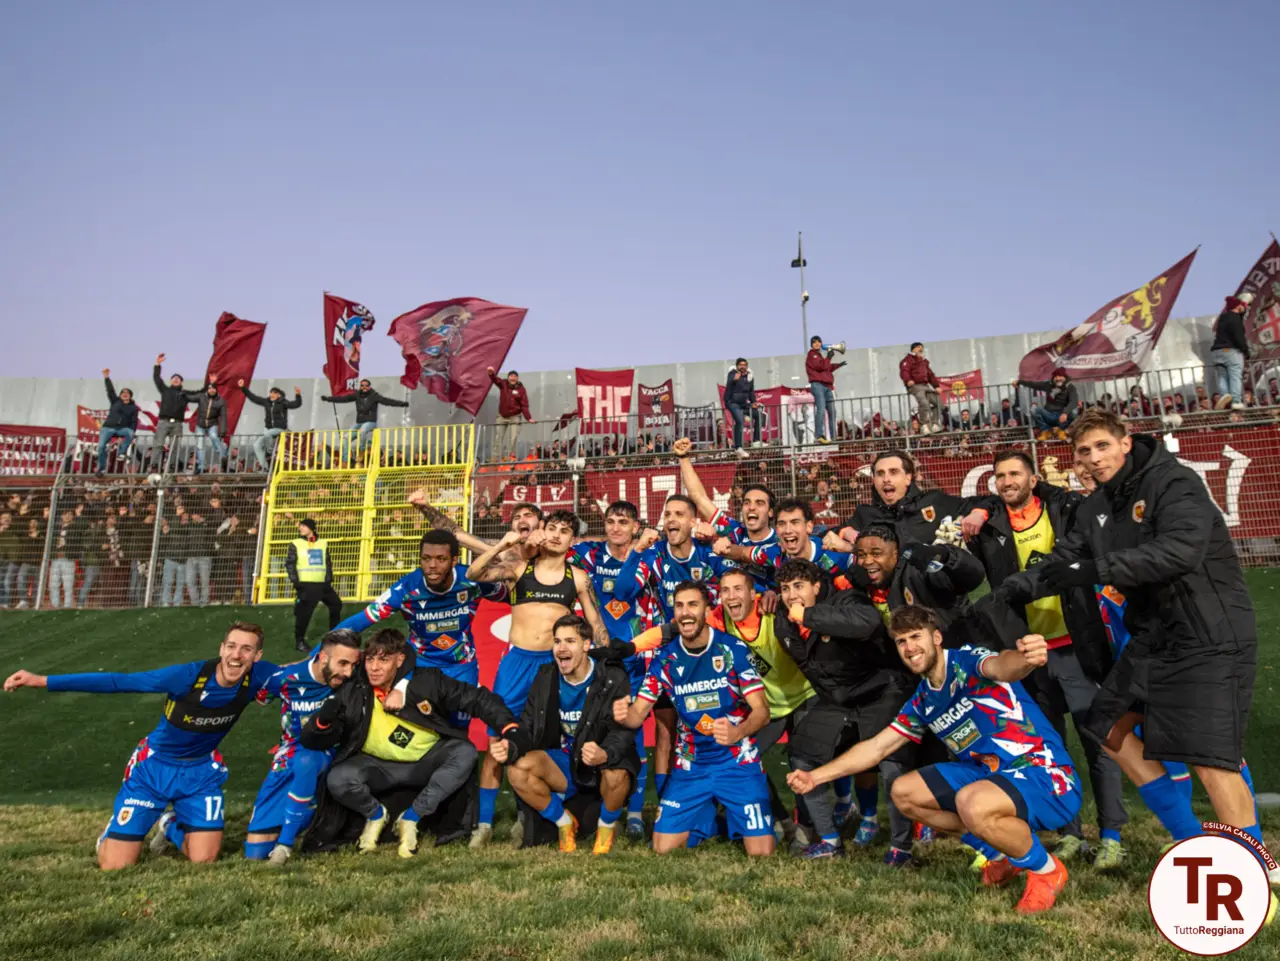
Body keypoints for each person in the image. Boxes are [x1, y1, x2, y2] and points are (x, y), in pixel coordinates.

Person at [992, 408, 1265, 860]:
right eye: (1084, 450)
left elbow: (1180, 551)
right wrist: (1011, 589)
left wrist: (1095, 570)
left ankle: (1253, 866)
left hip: (1207, 632)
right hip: (1154, 636)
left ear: (1125, 442)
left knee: (1209, 757)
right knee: (1108, 725)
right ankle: (1190, 840)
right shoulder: (1096, 506)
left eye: (1103, 446)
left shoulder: (1173, 482)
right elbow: (1064, 560)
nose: (1094, 457)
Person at [790, 606, 1080, 913]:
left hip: (1044, 774)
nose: (909, 647)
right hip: (990, 775)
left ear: (937, 638)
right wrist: (815, 777)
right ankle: (1001, 855)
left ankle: (1046, 870)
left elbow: (1002, 666)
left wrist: (1026, 659)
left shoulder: (967, 661)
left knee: (971, 801)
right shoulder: (924, 699)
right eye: (901, 641)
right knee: (904, 793)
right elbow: (876, 748)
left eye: (916, 636)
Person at [3, 622, 277, 870]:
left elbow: (299, 671)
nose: (236, 655)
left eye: (246, 649)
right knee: (115, 866)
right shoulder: (187, 676)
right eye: (231, 646)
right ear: (221, 648)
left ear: (257, 656)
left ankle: (168, 824)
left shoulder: (259, 676)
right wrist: (41, 680)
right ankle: (116, 830)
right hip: (153, 769)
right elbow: (119, 681)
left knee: (204, 859)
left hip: (201, 772)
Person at [968, 450, 1127, 869]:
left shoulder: (1063, 509)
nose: (1007, 481)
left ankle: (1112, 835)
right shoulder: (990, 525)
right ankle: (1070, 833)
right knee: (1049, 750)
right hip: (1028, 654)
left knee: (1098, 742)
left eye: (1015, 474)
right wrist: (982, 509)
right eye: (1000, 476)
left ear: (1034, 478)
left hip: (1077, 646)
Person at [301, 628, 526, 858]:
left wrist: (508, 727)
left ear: (400, 660)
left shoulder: (426, 681)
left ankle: (411, 818)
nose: (374, 667)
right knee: (338, 778)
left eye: (383, 660)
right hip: (375, 765)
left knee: (465, 753)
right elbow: (311, 739)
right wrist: (321, 722)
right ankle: (376, 815)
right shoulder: (355, 688)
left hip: (425, 762)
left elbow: (478, 699)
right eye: (370, 660)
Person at [465, 510, 608, 847]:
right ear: (542, 532)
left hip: (553, 666)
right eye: (552, 528)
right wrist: (504, 544)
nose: (557, 535)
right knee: (497, 741)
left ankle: (527, 818)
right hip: (516, 664)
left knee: (542, 742)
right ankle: (484, 825)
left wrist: (607, 663)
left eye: (565, 531)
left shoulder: (578, 578)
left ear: (573, 540)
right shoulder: (519, 568)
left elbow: (596, 625)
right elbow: (474, 573)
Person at [613, 581, 775, 856]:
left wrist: (737, 732)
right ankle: (710, 822)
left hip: (737, 762)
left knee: (761, 854)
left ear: (707, 610)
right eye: (679, 606)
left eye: (693, 605)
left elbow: (762, 711)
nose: (685, 613)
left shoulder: (733, 649)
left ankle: (728, 818)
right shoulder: (665, 659)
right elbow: (636, 716)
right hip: (691, 765)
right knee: (662, 848)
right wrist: (622, 714)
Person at [771, 559, 916, 861]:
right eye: (785, 589)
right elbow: (810, 666)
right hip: (839, 700)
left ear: (816, 587)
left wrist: (809, 616)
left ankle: (901, 847)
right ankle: (829, 841)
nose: (791, 595)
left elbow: (868, 622)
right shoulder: (783, 622)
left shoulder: (846, 599)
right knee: (801, 753)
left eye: (798, 586)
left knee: (892, 762)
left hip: (881, 692)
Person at [490, 614, 641, 854]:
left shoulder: (612, 676)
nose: (561, 648)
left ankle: (605, 831)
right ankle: (564, 822)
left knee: (617, 773)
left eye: (570, 641)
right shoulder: (546, 676)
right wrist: (512, 745)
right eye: (557, 641)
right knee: (517, 769)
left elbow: (623, 730)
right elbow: (528, 726)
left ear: (586, 645)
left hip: (599, 764)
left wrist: (605, 753)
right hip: (566, 762)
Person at [333, 530, 510, 717]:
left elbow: (511, 597)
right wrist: (323, 651)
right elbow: (362, 620)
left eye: (441, 559)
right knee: (425, 723)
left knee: (460, 725)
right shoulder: (406, 588)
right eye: (426, 559)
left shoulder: (473, 580)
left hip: (462, 666)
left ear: (454, 560)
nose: (432, 565)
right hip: (421, 665)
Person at [568, 500, 664, 835]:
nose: (615, 528)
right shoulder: (591, 554)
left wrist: (638, 549)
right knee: (591, 732)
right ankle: (596, 806)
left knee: (632, 734)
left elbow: (625, 589)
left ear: (636, 526)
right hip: (598, 660)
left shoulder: (650, 556)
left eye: (623, 522)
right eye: (610, 521)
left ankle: (635, 814)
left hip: (636, 661)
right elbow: (552, 552)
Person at [243, 629, 363, 865]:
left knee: (307, 760)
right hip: (288, 755)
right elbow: (259, 694)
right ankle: (308, 812)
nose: (348, 672)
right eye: (343, 663)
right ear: (323, 657)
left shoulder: (351, 679)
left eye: (353, 665)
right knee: (255, 854)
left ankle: (285, 844)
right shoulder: (286, 678)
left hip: (326, 755)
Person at [674, 437, 779, 590]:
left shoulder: (781, 542)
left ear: (770, 512)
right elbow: (699, 498)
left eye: (759, 503)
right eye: (747, 502)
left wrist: (725, 549)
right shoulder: (734, 530)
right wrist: (683, 457)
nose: (751, 507)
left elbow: (743, 553)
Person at [843, 449, 989, 547]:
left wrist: (978, 513)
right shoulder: (864, 513)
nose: (886, 479)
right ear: (874, 480)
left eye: (893, 472)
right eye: (880, 474)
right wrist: (846, 532)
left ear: (908, 478)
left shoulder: (934, 501)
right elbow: (835, 532)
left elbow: (988, 501)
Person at [287, 518, 344, 653]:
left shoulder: (322, 543)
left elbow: (327, 563)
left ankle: (334, 635)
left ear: (311, 528)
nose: (300, 528)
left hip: (323, 584)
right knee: (304, 614)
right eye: (300, 526)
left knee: (336, 604)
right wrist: (296, 582)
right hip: (306, 585)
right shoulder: (296, 543)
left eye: (303, 526)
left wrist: (328, 580)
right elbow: (290, 564)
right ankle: (300, 641)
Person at [321, 378, 410, 458]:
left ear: (369, 387)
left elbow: (388, 401)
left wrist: (402, 404)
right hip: (359, 423)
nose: (364, 387)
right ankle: (345, 459)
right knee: (345, 439)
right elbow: (343, 399)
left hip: (370, 422)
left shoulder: (374, 396)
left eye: (366, 385)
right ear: (360, 387)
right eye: (362, 385)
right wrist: (328, 399)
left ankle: (362, 450)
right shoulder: (357, 395)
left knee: (363, 430)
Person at [238, 380, 303, 471]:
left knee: (267, 434)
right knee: (257, 445)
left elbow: (296, 404)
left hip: (280, 428)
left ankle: (269, 451)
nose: (272, 394)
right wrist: (243, 388)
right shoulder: (266, 402)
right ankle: (264, 467)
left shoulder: (283, 402)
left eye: (274, 393)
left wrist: (298, 395)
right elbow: (253, 398)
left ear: (279, 395)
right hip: (268, 428)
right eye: (271, 392)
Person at [151, 353, 198, 471]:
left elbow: (200, 393)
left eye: (178, 378)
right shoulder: (165, 390)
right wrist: (157, 364)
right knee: (158, 444)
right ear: (171, 381)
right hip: (163, 422)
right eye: (174, 378)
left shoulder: (185, 393)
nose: (176, 379)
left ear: (181, 382)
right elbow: (157, 378)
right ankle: (154, 465)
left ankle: (171, 465)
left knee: (175, 446)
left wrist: (212, 383)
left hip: (177, 423)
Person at [1210, 292, 1253, 410]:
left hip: (1217, 352)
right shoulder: (1235, 319)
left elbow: (1239, 314)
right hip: (1231, 351)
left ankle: (1225, 397)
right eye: (1241, 305)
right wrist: (1245, 351)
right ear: (1238, 306)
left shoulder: (1223, 318)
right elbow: (1238, 337)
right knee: (1235, 376)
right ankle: (1236, 401)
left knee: (1223, 377)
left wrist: (1242, 307)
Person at [1014, 368, 1079, 439]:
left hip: (1061, 417)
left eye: (1060, 376)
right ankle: (1046, 431)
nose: (1058, 378)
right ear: (1053, 378)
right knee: (1034, 409)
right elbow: (1033, 384)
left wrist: (1065, 412)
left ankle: (1061, 430)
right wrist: (1019, 381)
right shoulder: (1048, 385)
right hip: (1048, 415)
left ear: (1065, 377)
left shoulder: (1070, 387)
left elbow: (1073, 401)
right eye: (1056, 377)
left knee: (1074, 410)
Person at [97, 368, 139, 475]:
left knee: (130, 432)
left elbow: (134, 422)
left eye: (127, 393)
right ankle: (101, 468)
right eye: (123, 392)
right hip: (108, 427)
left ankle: (121, 453)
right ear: (120, 395)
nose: (125, 394)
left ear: (130, 396)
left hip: (122, 429)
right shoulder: (115, 401)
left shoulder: (133, 408)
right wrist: (106, 377)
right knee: (101, 447)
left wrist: (132, 433)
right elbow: (110, 390)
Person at [487, 367, 534, 461]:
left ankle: (510, 457)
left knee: (513, 438)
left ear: (517, 378)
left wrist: (528, 418)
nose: (513, 378)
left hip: (515, 417)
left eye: (515, 376)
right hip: (502, 416)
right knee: (499, 437)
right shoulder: (503, 384)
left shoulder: (521, 389)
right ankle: (494, 458)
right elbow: (496, 380)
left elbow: (524, 405)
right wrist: (491, 374)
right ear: (508, 377)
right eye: (511, 376)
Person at [806, 336, 845, 443]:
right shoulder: (812, 355)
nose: (817, 344)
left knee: (832, 412)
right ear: (811, 345)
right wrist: (828, 357)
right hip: (818, 386)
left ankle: (834, 436)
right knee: (821, 410)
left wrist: (838, 365)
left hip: (827, 386)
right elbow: (820, 366)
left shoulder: (819, 356)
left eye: (819, 342)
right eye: (814, 342)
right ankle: (819, 436)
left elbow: (826, 368)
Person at [899, 342, 942, 434]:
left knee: (938, 403)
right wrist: (908, 380)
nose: (921, 349)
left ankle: (934, 424)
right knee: (924, 403)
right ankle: (924, 425)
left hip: (925, 386)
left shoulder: (924, 361)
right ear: (913, 349)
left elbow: (930, 374)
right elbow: (904, 371)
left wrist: (936, 386)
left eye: (922, 347)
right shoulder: (908, 360)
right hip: (915, 386)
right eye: (918, 347)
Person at [724, 358, 764, 456]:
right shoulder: (732, 373)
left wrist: (753, 402)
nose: (743, 367)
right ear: (737, 366)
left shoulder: (749, 376)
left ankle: (756, 441)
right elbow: (730, 382)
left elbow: (751, 391)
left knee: (758, 415)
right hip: (732, 403)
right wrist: (734, 379)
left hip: (743, 404)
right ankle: (738, 447)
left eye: (744, 365)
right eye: (741, 365)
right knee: (740, 421)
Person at [190, 380, 227, 473]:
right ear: (207, 390)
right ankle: (201, 466)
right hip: (200, 425)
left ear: (216, 390)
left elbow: (223, 416)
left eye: (213, 388)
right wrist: (183, 396)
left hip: (212, 424)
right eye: (210, 388)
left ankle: (223, 457)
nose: (211, 390)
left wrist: (223, 430)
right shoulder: (201, 397)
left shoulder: (221, 401)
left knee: (214, 436)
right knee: (200, 445)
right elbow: (191, 397)